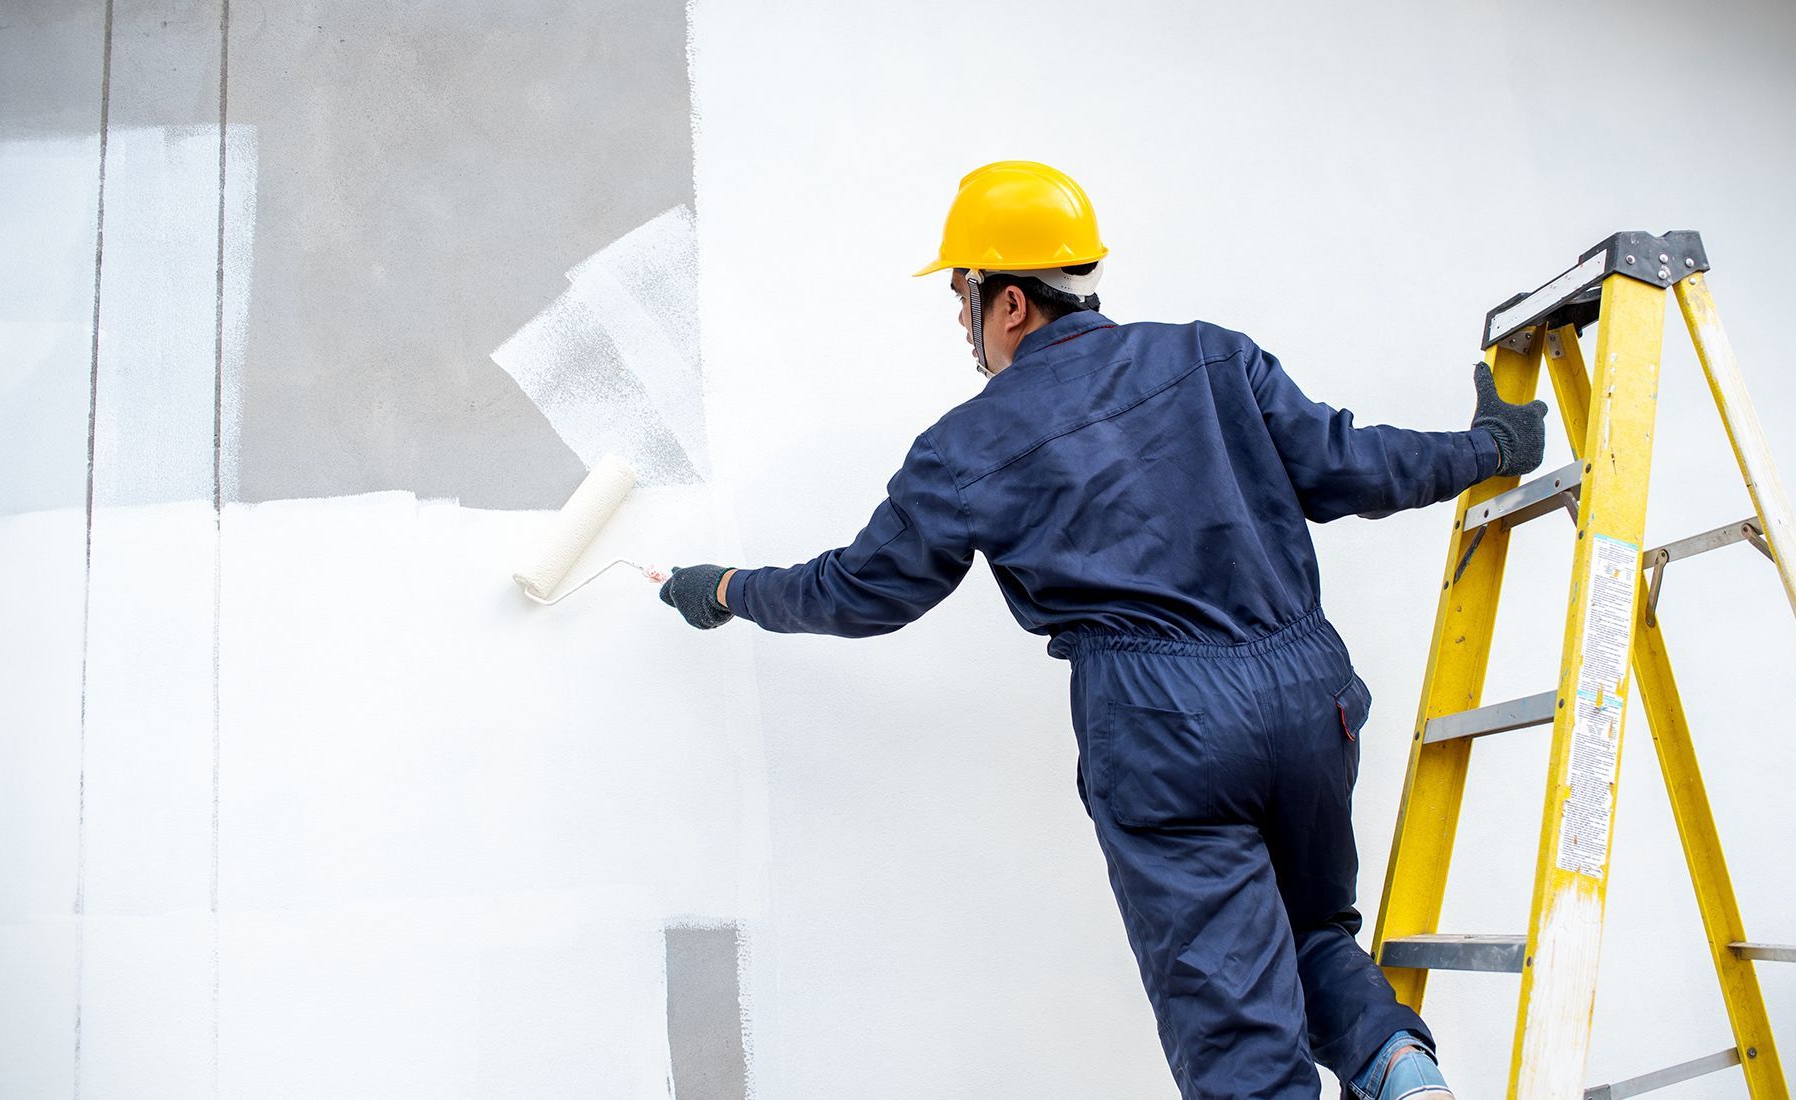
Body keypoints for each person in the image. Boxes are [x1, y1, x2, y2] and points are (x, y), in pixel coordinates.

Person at [657, 161, 1547, 1099]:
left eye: (960, 293)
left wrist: (725, 589)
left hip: (1164, 729)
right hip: (1305, 692)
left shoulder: (968, 445)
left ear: (1006, 303)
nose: (958, 321)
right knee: (1311, 930)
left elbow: (861, 591)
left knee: (1238, 1033)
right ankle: (1407, 1078)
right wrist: (1487, 448)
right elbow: (1352, 467)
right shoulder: (1213, 357)